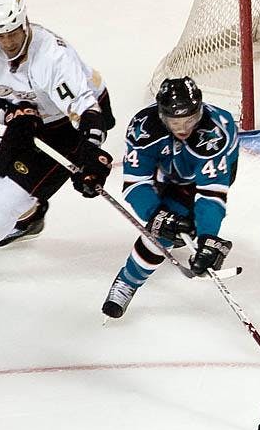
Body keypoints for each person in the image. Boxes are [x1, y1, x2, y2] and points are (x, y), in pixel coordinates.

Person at [0, 0, 115, 288]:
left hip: (68, 122)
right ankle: (31, 218)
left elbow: (87, 110)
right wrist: (12, 115)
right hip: (33, 117)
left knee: (8, 199)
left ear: (25, 23)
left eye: (12, 32)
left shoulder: (53, 56)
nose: (7, 42)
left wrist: (90, 152)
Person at [102, 76, 239, 318]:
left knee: (169, 229)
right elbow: (136, 184)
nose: (184, 128)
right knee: (163, 225)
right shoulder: (144, 127)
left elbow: (211, 194)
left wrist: (208, 237)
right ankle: (127, 282)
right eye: (176, 121)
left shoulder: (215, 131)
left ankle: (131, 278)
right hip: (162, 173)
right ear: (162, 115)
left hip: (194, 179)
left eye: (190, 119)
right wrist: (158, 215)